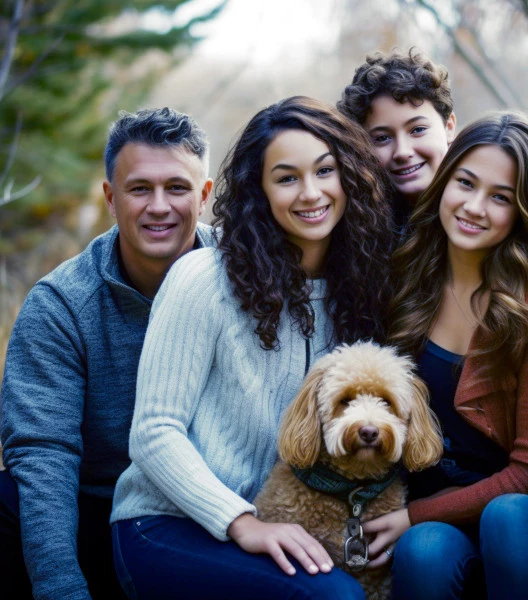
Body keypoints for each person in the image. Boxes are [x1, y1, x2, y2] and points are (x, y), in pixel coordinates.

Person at [108, 96, 396, 600]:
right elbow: (154, 432)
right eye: (286, 178)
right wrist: (241, 522)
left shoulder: (359, 288)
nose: (311, 193)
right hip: (165, 525)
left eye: (325, 171)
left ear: (349, 176)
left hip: (277, 524)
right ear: (259, 191)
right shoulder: (203, 279)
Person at [0, 107, 217, 600]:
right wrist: (61, 588)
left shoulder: (245, 279)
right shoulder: (63, 303)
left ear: (205, 194)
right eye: (139, 189)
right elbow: (45, 453)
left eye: (177, 187)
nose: (159, 206)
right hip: (101, 519)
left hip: (207, 521)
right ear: (111, 198)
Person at [361, 112, 528, 600]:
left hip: (516, 516)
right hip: (430, 515)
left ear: (523, 210)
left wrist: (416, 514)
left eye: (500, 197)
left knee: (496, 520)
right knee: (424, 551)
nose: (475, 207)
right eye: (466, 183)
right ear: (445, 182)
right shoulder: (406, 278)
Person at [337, 48, 456, 226]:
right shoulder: (359, 227)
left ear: (449, 126)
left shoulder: (481, 208)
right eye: (382, 138)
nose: (402, 152)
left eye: (417, 130)